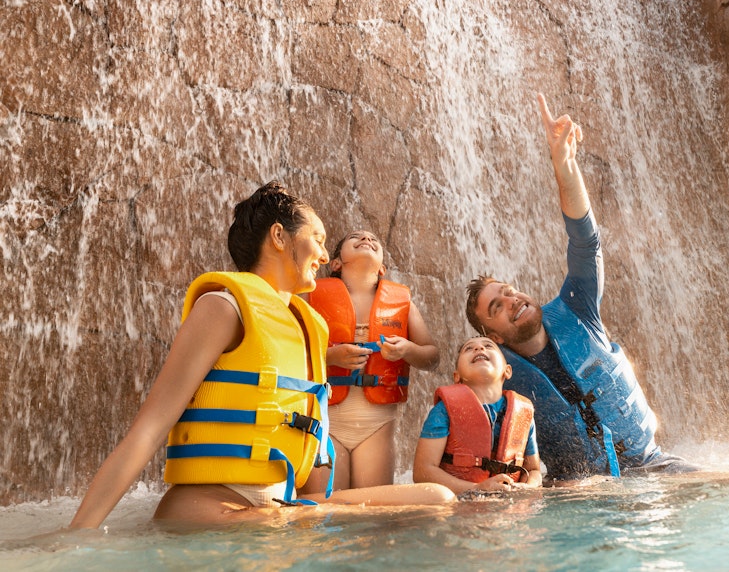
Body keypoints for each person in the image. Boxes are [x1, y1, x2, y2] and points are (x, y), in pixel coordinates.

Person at [69, 182, 454, 529]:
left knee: (435, 499)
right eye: (317, 239)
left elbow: (310, 447)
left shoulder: (309, 327)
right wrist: (75, 537)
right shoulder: (223, 307)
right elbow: (148, 430)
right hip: (215, 511)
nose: (323, 254)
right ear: (278, 237)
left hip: (278, 508)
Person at [464, 94, 701, 481]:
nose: (511, 300)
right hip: (578, 493)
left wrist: (565, 165)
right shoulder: (500, 377)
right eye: (496, 307)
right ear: (494, 336)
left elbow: (585, 242)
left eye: (508, 291)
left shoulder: (578, 308)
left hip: (654, 466)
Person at [300, 229, 439, 493]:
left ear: (383, 268)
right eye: (356, 237)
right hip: (325, 422)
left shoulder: (402, 303)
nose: (366, 239)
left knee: (372, 517)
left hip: (377, 427)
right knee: (324, 512)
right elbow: (288, 345)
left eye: (373, 239)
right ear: (336, 263)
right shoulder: (312, 294)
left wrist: (408, 349)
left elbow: (432, 357)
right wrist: (328, 355)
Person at [412, 336, 542, 494]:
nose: (479, 349)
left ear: (507, 371)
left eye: (488, 346)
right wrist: (476, 488)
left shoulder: (523, 412)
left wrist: (529, 487)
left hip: (510, 504)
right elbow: (422, 472)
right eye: (469, 348)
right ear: (456, 376)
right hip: (460, 502)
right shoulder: (443, 411)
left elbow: (534, 470)